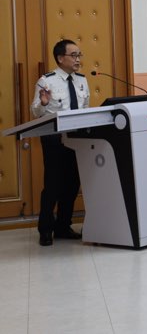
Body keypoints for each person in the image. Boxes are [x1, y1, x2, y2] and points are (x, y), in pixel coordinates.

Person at [31, 39, 90, 246]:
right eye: (73, 55)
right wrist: (43, 104)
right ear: (60, 58)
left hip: (76, 137)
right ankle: (46, 229)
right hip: (54, 138)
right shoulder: (46, 81)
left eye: (79, 55)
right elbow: (35, 111)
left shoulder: (82, 80)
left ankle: (63, 226)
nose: (78, 59)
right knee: (53, 185)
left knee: (72, 184)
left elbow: (85, 108)